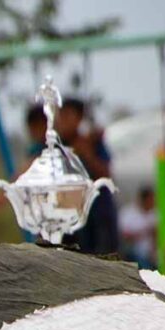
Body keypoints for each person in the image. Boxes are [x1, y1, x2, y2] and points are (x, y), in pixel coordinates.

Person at [57, 97, 118, 254]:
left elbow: (106, 174)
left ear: (79, 118)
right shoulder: (56, 147)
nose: (62, 121)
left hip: (97, 215)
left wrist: (87, 154)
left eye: (67, 116)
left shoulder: (93, 144)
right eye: (60, 116)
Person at [119, 186, 157, 270]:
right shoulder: (128, 212)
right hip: (134, 251)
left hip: (152, 254)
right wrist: (143, 232)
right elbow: (125, 236)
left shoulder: (156, 214)